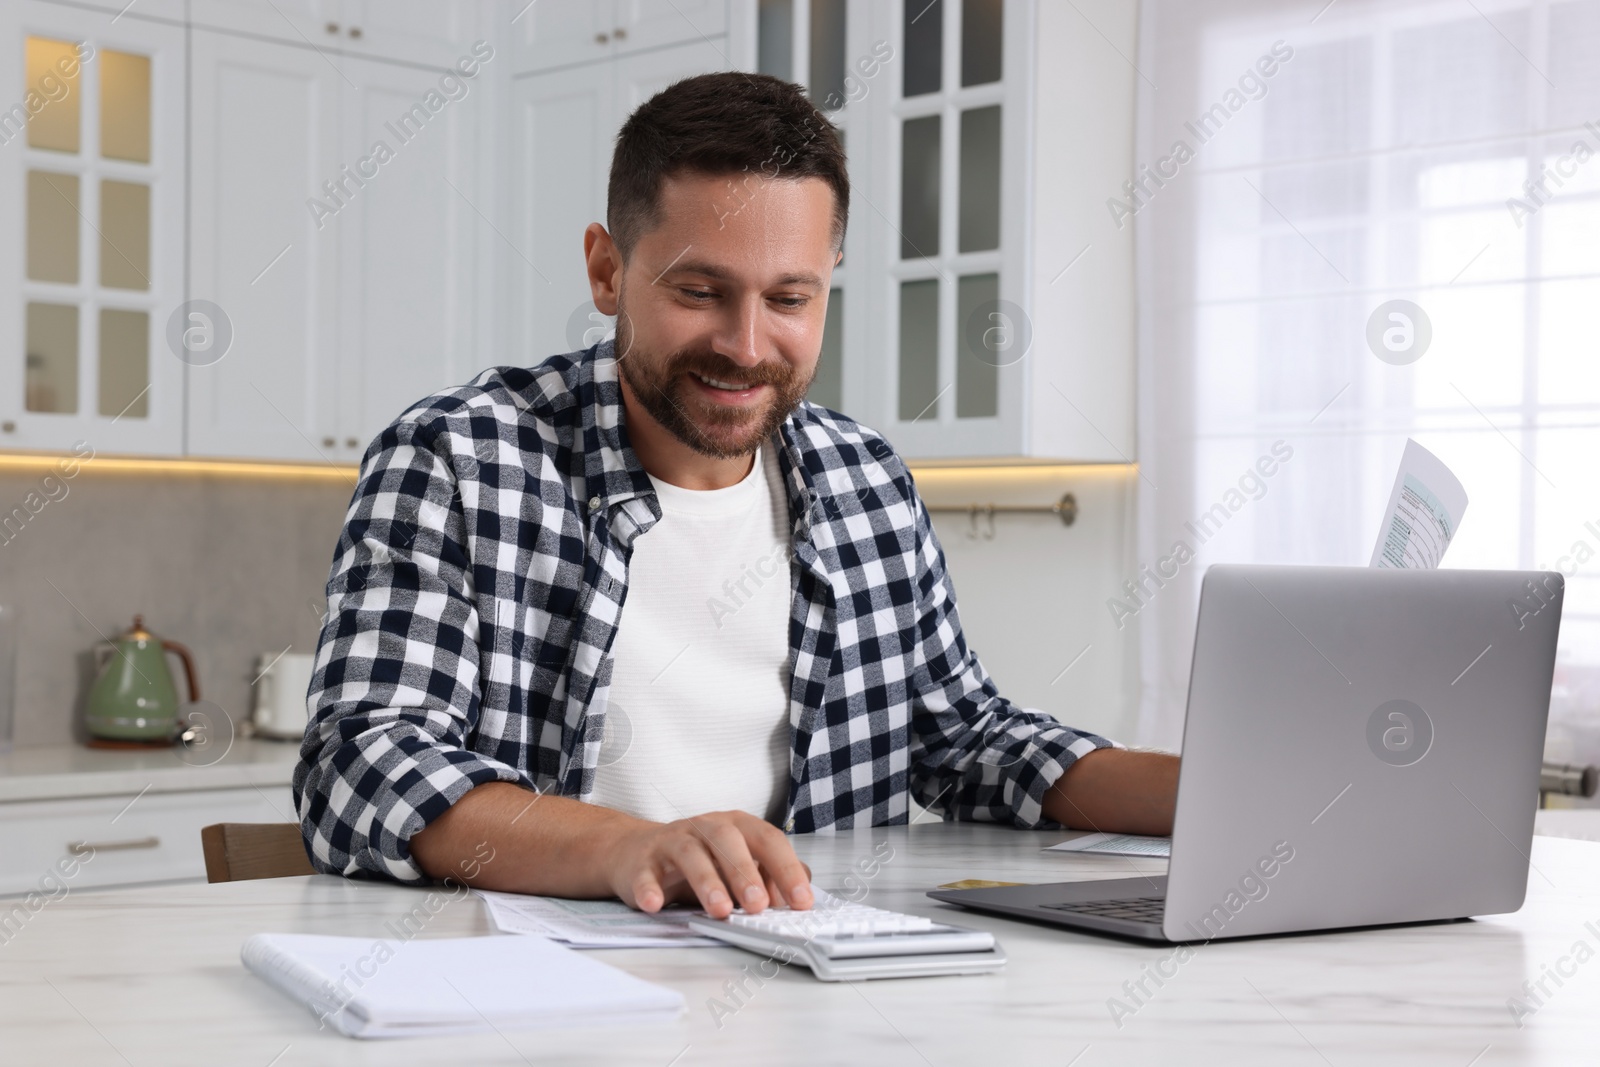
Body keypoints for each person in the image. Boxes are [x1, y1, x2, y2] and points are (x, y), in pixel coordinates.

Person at [294, 72, 1178, 919]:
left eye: (790, 297)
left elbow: (968, 742)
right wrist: (626, 849)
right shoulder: (460, 460)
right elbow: (364, 763)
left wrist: (1210, 791)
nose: (747, 345)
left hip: (812, 989)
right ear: (607, 271)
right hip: (544, 999)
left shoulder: (863, 479)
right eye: (699, 291)